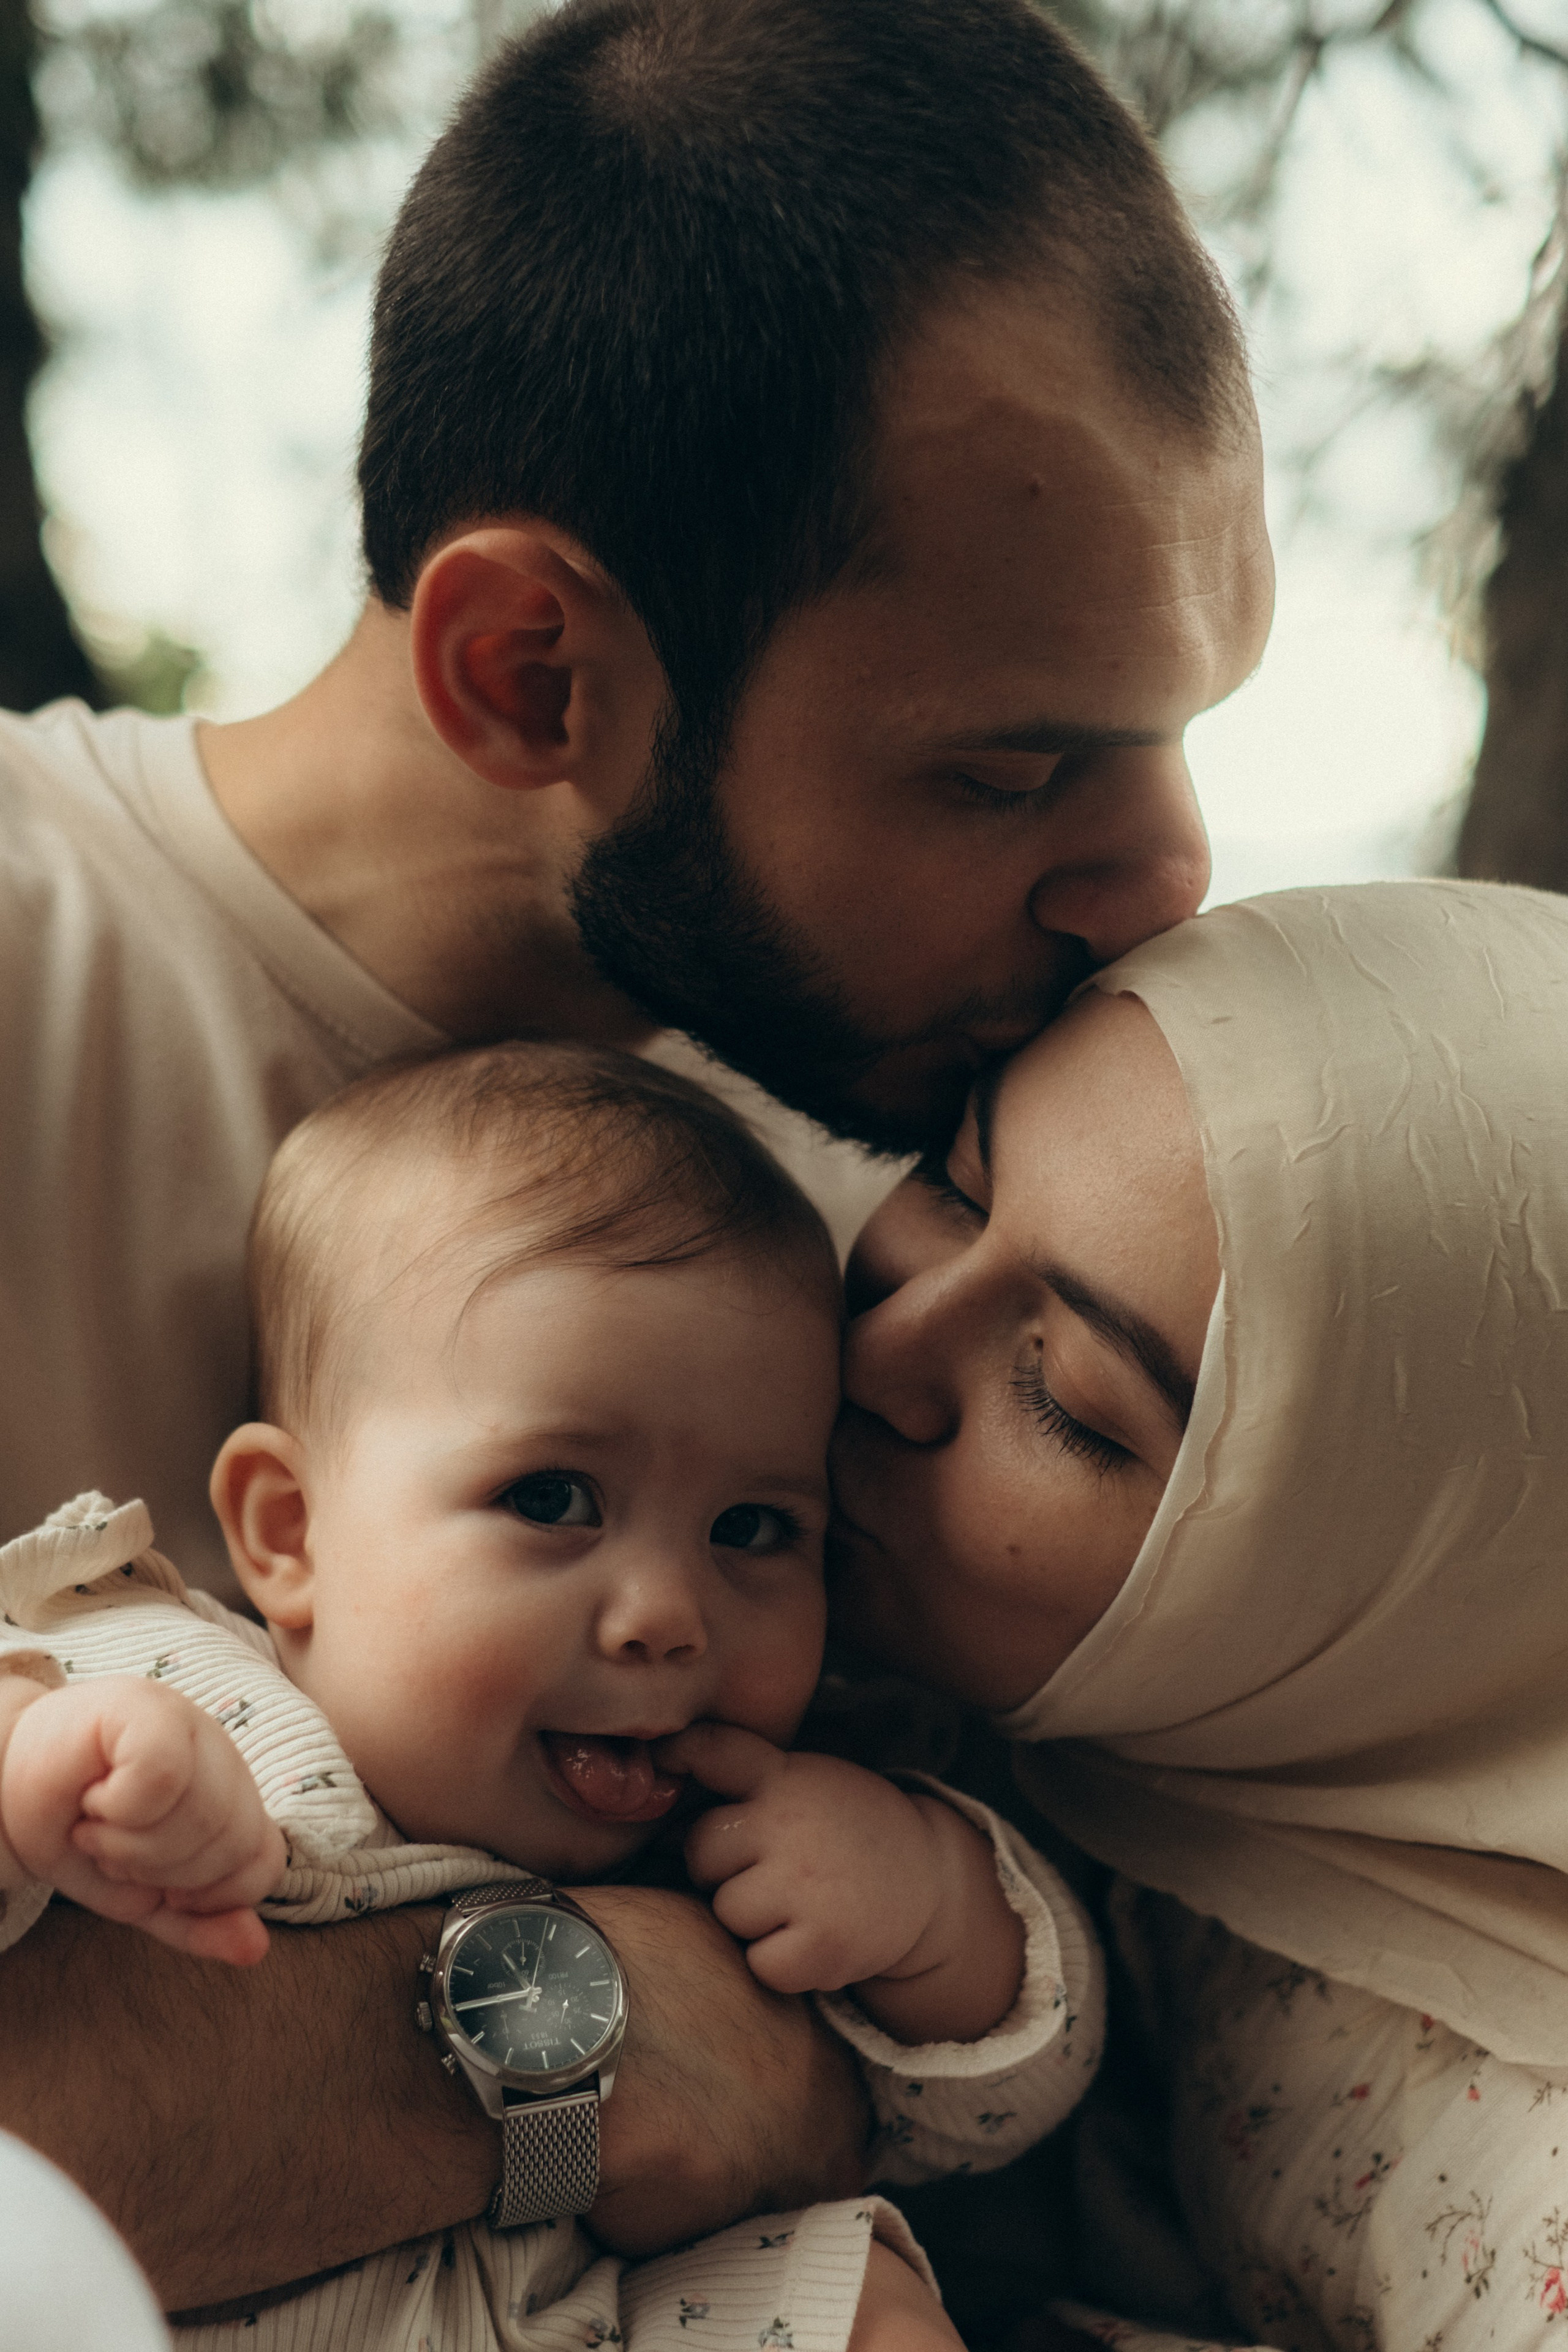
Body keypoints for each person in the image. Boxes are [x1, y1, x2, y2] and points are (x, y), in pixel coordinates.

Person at [0, 0, 1272, 2307]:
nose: (1165, 878)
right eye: (1005, 774)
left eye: (1182, 737)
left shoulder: (928, 1239)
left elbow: (1011, 2062)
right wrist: (602, 2028)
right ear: (530, 673)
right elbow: (728, 2069)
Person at [0, 1041, 1102, 2351]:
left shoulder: (749, 1847)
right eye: (551, 1498)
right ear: (289, 1533)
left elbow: (998, 2107)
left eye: (752, 1528)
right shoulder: (163, 1678)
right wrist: (48, 1765)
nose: (668, 1616)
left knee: (858, 2299)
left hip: (581, 2318)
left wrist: (927, 1907)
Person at [833, 877, 1568, 2351]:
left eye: (1066, 1401)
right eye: (954, 1185)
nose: (878, 1350)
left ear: (1369, 1593)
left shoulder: (1483, 2136)